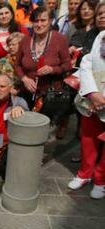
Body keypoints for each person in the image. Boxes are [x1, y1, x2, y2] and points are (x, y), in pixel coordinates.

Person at [68, 31, 105, 199]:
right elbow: (86, 63)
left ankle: (101, 180)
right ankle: (85, 174)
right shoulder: (102, 35)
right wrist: (93, 93)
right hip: (93, 99)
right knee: (88, 139)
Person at [14, 6, 71, 110]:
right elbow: (17, 65)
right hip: (27, 93)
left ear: (50, 21)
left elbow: (67, 65)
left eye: (43, 20)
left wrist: (52, 69)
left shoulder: (60, 39)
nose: (39, 24)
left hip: (51, 95)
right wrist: (24, 79)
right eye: (36, 21)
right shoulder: (25, 41)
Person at [0, 3, 29, 77]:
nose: (4, 16)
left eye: (7, 13)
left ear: (12, 15)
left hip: (20, 77)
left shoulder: (22, 30)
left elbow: (29, 52)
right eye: (1, 14)